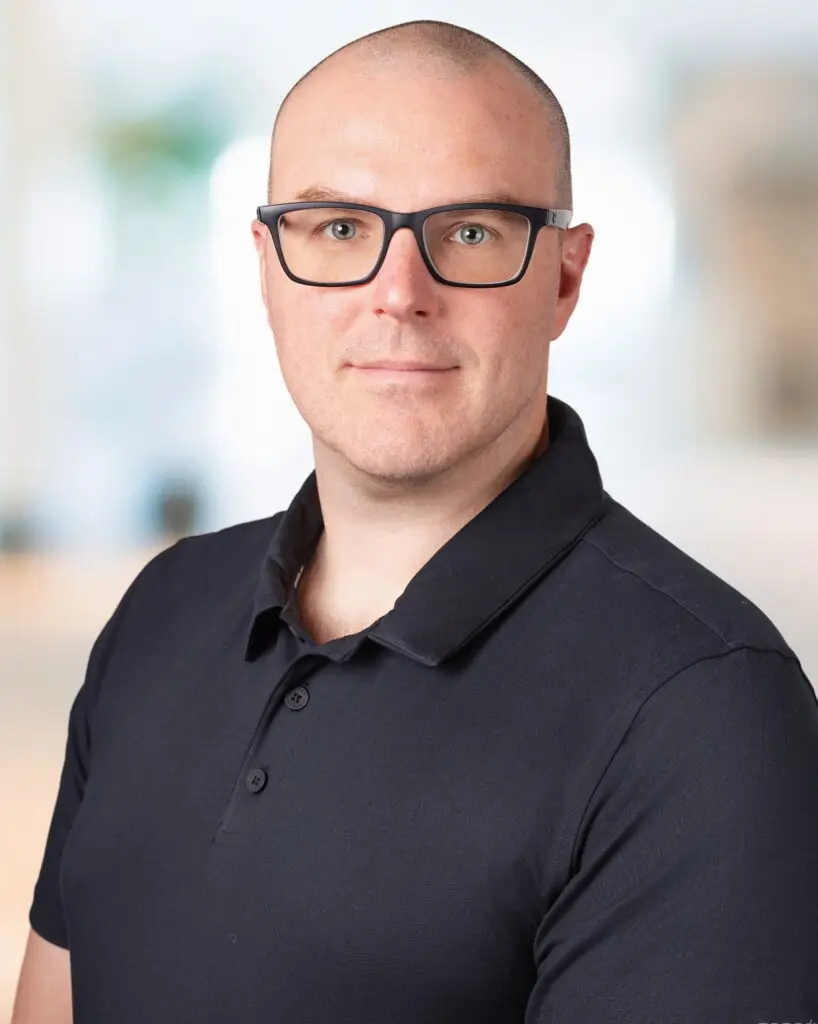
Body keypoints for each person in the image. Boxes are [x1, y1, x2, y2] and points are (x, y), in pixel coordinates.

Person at [12, 19, 818, 1024]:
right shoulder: (162, 607)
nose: (399, 294)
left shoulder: (701, 708)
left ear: (563, 277)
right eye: (339, 229)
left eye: (470, 232)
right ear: (266, 267)